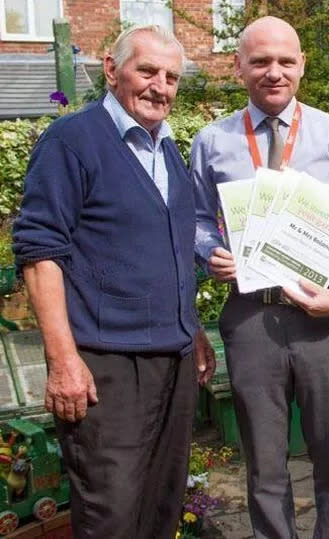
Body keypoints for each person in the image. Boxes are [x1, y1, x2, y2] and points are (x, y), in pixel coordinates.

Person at [11, 25, 216, 539]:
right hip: (107, 368)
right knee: (112, 514)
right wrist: (62, 361)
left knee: (162, 505)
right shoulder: (72, 142)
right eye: (147, 71)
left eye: (171, 77)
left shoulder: (168, 151)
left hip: (172, 360)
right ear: (110, 69)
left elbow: (165, 250)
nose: (160, 86)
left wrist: (188, 327)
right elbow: (39, 253)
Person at [191, 16, 329, 539]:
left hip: (322, 318)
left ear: (302, 66)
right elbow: (198, 219)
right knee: (263, 460)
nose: (273, 72)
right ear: (239, 67)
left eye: (285, 61)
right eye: (260, 61)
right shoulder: (212, 140)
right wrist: (211, 252)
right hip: (250, 317)